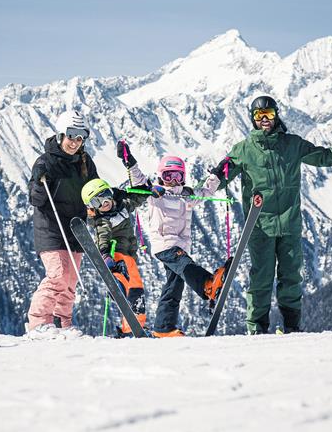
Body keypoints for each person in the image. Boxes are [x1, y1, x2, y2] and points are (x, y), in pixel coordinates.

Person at [211, 95, 332, 335]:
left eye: (269, 115)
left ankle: (292, 327)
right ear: (252, 119)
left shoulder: (293, 144)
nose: (265, 120)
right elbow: (221, 175)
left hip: (290, 224)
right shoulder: (243, 150)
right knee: (261, 279)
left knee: (291, 278)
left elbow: (323, 156)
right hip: (260, 227)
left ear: (276, 115)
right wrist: (199, 188)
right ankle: (256, 328)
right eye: (259, 116)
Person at [118, 142, 228, 338]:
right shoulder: (155, 194)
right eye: (168, 176)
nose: (173, 181)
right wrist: (130, 162)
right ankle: (207, 285)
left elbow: (206, 191)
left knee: (174, 285)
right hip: (164, 245)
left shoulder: (187, 196)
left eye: (177, 176)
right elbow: (138, 181)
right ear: (161, 176)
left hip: (180, 246)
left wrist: (218, 174)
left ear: (183, 177)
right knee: (185, 264)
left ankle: (164, 327)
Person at [26, 109, 98, 339]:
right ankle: (38, 323)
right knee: (58, 275)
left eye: (80, 137)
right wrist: (39, 180)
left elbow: (94, 191)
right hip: (52, 228)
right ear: (60, 135)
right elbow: (36, 200)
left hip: (76, 229)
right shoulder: (47, 162)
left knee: (70, 281)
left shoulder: (85, 162)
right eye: (71, 136)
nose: (75, 142)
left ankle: (61, 324)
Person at [81, 175, 151, 337]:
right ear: (92, 208)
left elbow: (137, 199)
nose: (103, 203)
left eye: (105, 196)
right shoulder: (102, 220)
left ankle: (132, 328)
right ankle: (117, 284)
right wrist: (105, 254)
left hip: (131, 256)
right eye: (96, 202)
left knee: (136, 291)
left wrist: (148, 191)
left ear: (111, 193)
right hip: (117, 253)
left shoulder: (123, 206)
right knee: (122, 271)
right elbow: (102, 237)